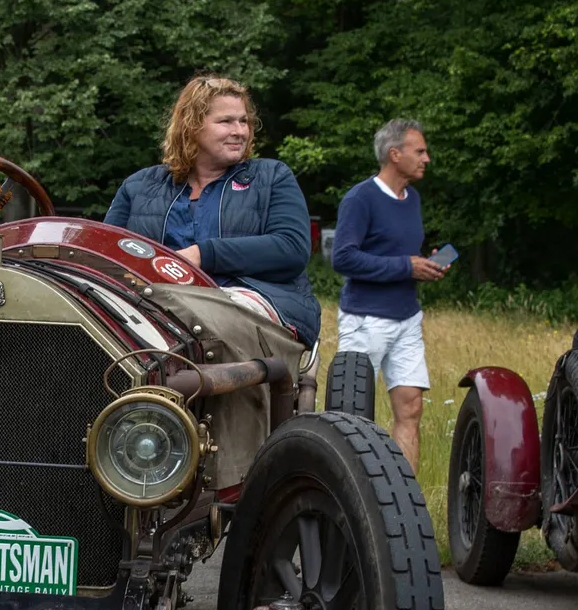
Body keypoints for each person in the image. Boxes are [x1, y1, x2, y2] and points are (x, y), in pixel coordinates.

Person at [104, 75, 321, 348]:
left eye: (244, 121)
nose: (240, 131)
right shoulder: (139, 186)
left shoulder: (271, 176)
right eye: (226, 121)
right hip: (150, 302)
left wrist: (202, 255)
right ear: (191, 126)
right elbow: (106, 256)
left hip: (251, 299)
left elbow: (292, 248)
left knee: (203, 321)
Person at [331, 118, 442, 472]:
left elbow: (399, 255)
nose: (427, 158)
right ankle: (348, 494)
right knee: (352, 415)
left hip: (407, 317)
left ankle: (404, 496)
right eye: (420, 151)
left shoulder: (413, 199)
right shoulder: (360, 198)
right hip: (366, 319)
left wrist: (426, 266)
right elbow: (343, 258)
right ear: (395, 155)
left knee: (411, 409)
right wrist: (406, 267)